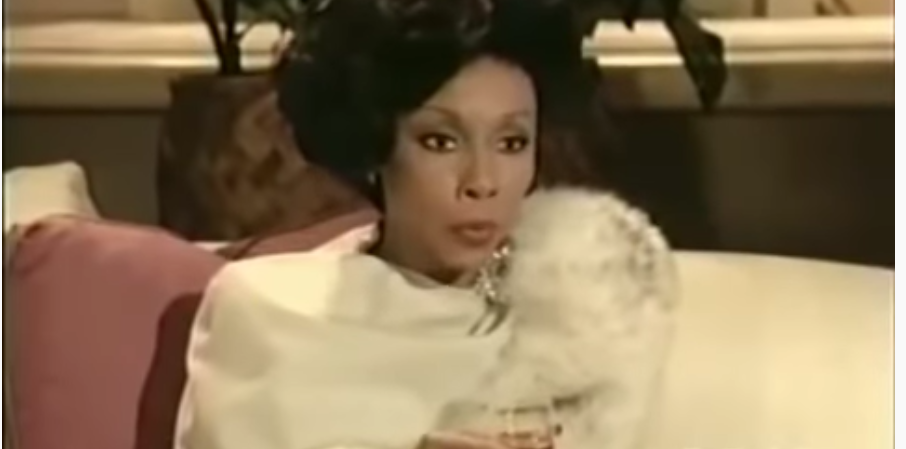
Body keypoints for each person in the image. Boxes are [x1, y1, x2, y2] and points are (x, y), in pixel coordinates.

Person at [173, 0, 678, 448]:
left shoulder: (593, 314)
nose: (482, 181)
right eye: (441, 141)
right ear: (376, 146)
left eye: (511, 143)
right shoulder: (270, 313)